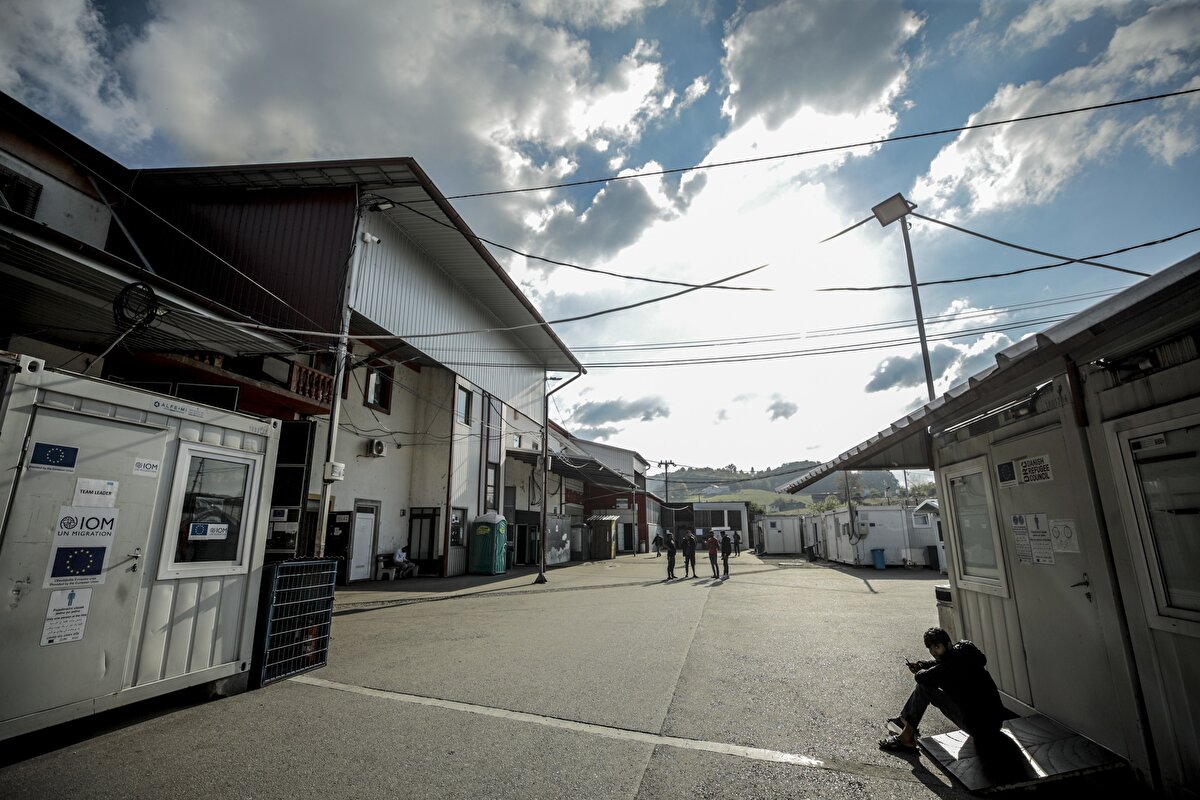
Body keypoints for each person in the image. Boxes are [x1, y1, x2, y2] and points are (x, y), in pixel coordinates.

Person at [879, 627, 1005, 754]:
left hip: (979, 728)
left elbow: (922, 677)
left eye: (937, 647)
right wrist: (922, 665)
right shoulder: (962, 653)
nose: (933, 651)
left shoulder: (951, 666)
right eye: (930, 648)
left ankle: (906, 737)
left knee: (924, 687)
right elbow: (940, 663)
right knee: (927, 684)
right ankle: (905, 721)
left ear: (948, 644)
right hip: (994, 724)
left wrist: (920, 670)